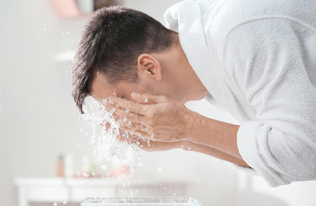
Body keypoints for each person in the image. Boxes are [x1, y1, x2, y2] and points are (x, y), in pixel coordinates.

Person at [71, 0, 316, 187]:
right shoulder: (212, 65)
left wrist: (190, 127)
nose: (122, 116)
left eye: (121, 100)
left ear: (149, 67)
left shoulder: (236, 35)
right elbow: (273, 156)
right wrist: (182, 139)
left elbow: (305, 153)